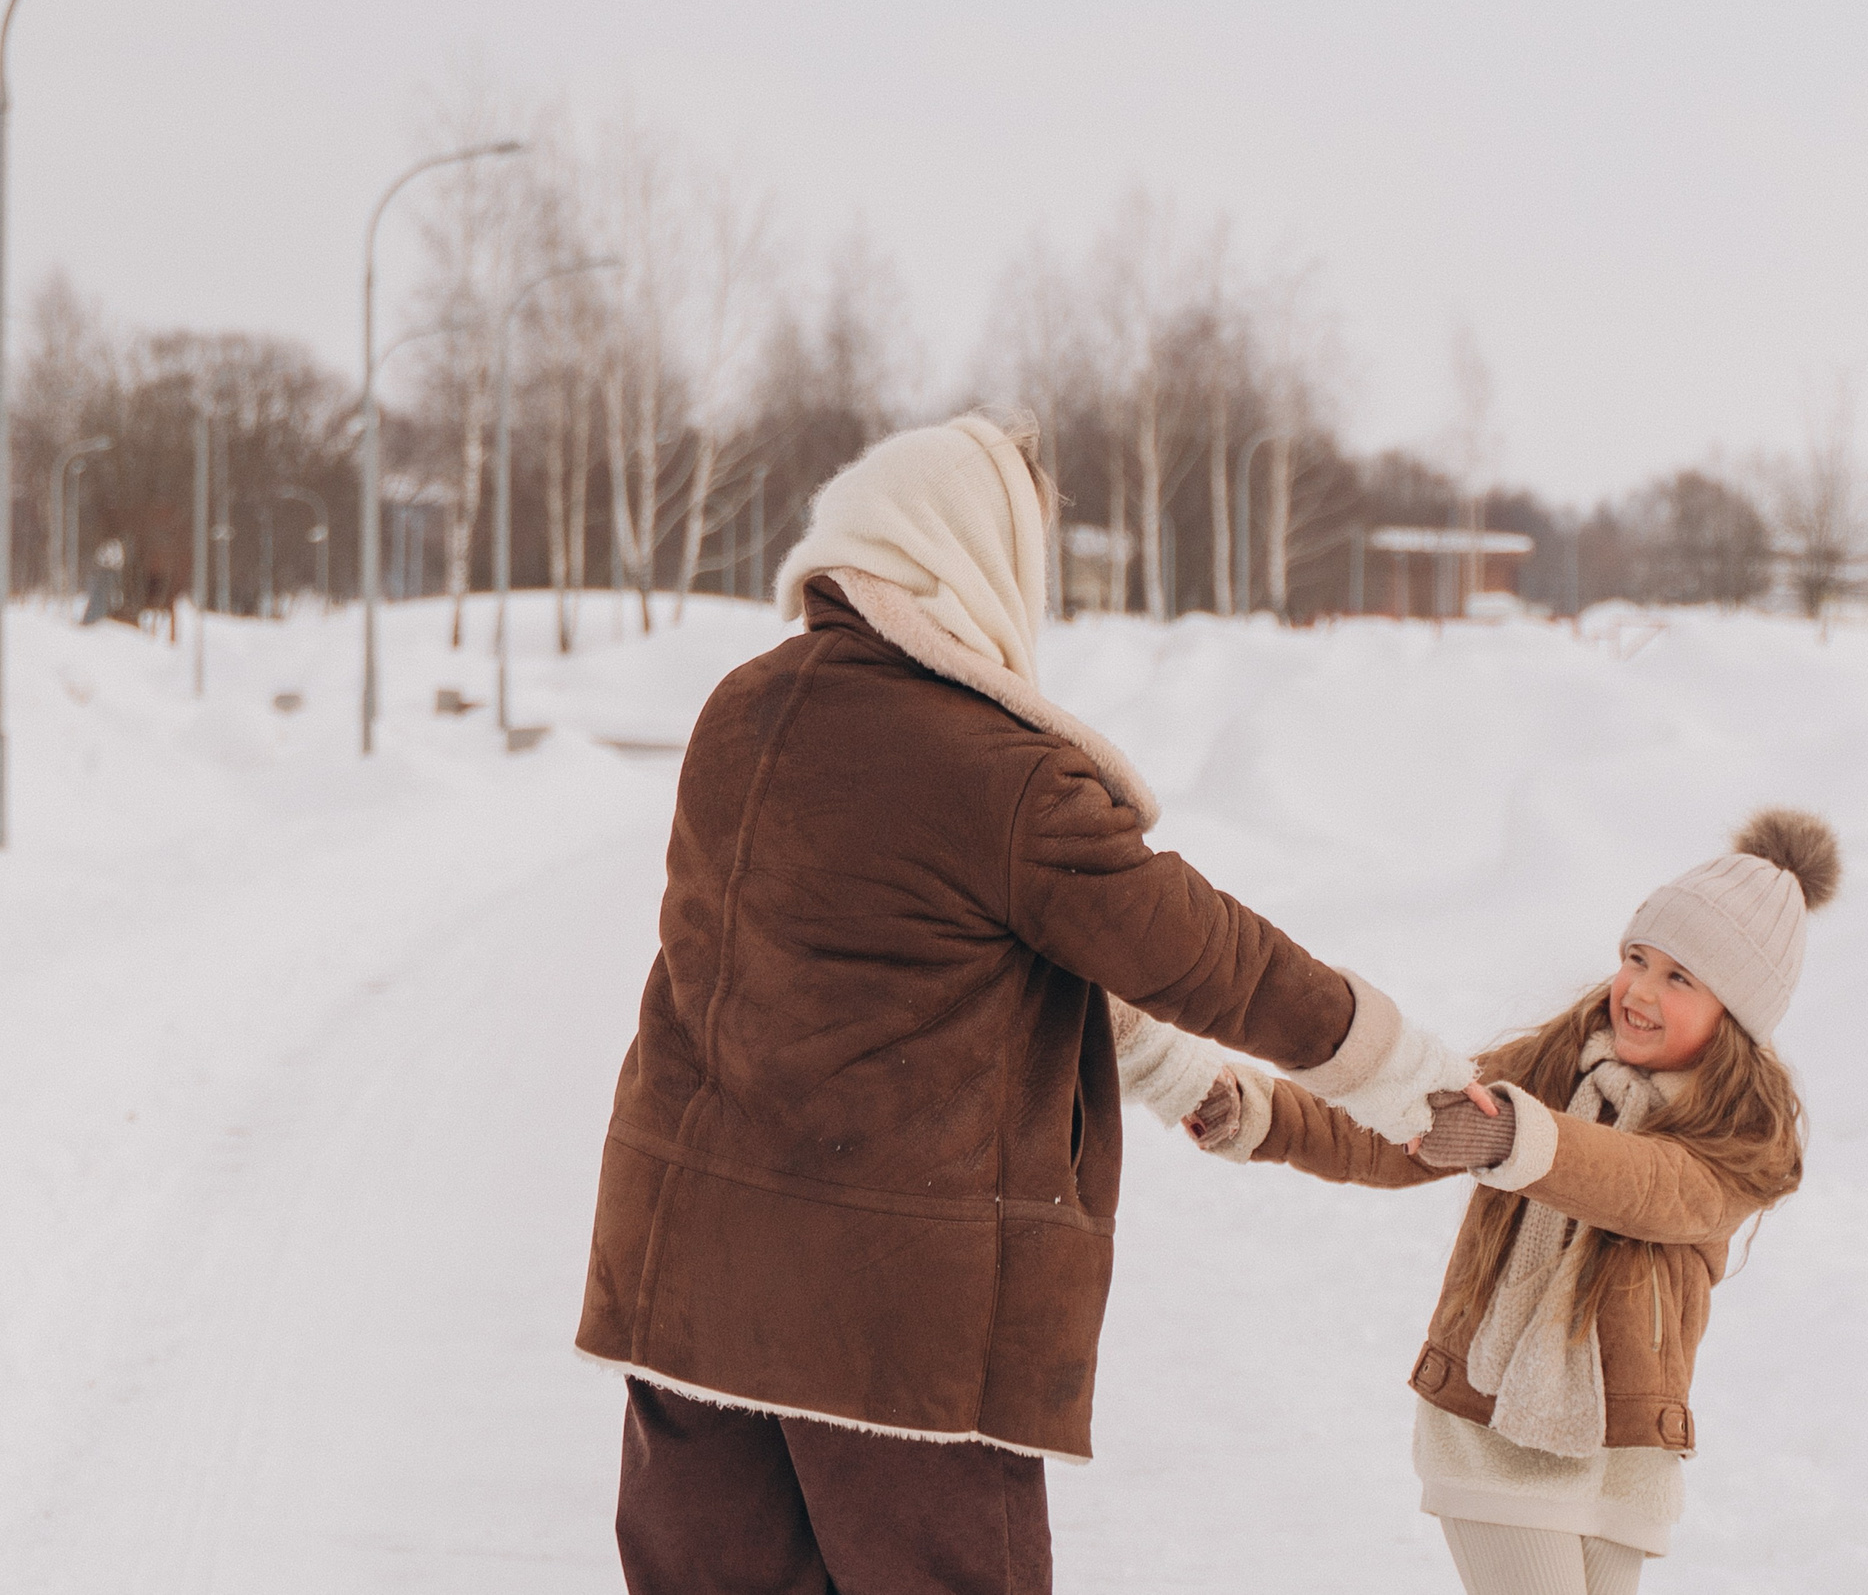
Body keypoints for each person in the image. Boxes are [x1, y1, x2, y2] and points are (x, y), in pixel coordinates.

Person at [573, 411, 1477, 1595]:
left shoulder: (742, 707)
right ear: (976, 557)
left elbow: (919, 950)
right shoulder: (997, 771)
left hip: (685, 1281)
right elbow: (1209, 955)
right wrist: (1405, 1073)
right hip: (891, 1328)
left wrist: (1170, 1075)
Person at [1157, 809, 1837, 1595]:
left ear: (1736, 1014)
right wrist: (1265, 1114)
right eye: (1637, 958)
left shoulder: (1740, 1140)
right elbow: (1404, 1126)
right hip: (1492, 1420)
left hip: (1622, 1450)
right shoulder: (1551, 1065)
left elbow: (1649, 1185)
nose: (1640, 990)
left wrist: (1521, 1139)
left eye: (1680, 978)